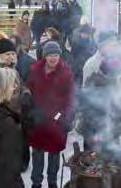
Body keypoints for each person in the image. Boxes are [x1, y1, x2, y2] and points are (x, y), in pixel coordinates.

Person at [27, 41, 75, 188]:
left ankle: (52, 182)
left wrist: (65, 117)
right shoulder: (34, 70)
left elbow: (70, 98)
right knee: (37, 154)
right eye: (50, 55)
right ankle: (36, 182)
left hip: (57, 120)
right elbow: (29, 91)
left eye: (56, 55)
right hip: (38, 118)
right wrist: (31, 112)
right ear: (44, 56)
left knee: (54, 154)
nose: (53, 58)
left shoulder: (66, 72)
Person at [79, 49, 121, 151]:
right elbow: (87, 115)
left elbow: (118, 114)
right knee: (94, 161)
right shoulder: (95, 87)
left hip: (109, 135)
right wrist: (94, 134)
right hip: (96, 136)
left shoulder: (113, 87)